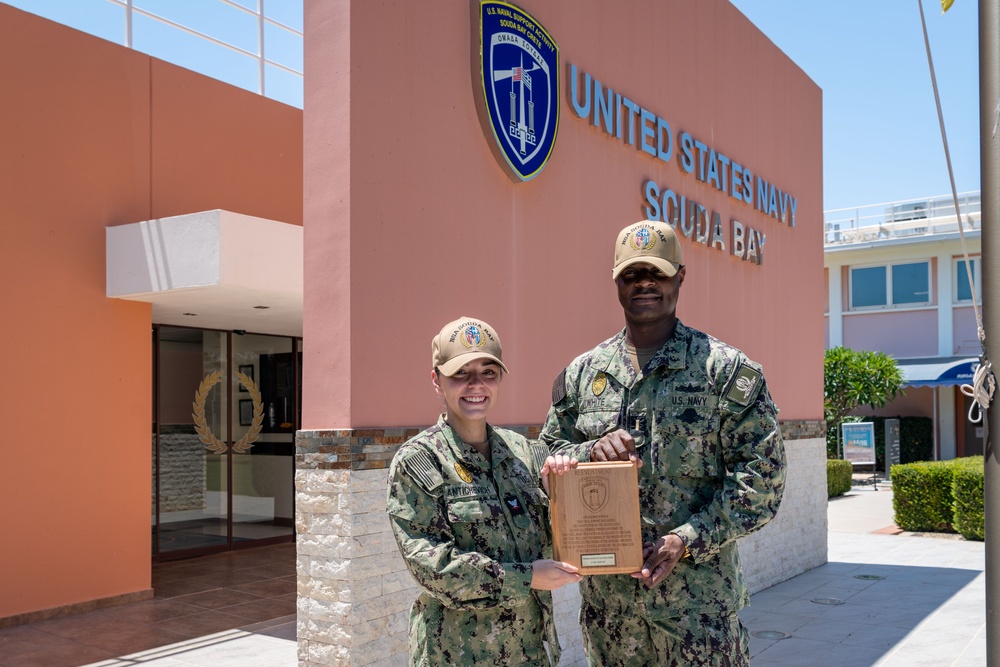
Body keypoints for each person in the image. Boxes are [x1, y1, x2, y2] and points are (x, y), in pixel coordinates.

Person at [540, 221, 786, 666]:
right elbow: (544, 459)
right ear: (617, 281)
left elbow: (761, 485)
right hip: (612, 622)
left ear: (680, 277)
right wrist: (587, 453)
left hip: (699, 616)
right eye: (632, 274)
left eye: (656, 272)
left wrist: (686, 539)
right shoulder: (582, 376)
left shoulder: (724, 371)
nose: (645, 283)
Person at [387, 316, 581, 666]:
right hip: (458, 654)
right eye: (461, 373)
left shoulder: (527, 453)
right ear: (437, 380)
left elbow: (553, 544)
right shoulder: (419, 462)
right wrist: (527, 577)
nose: (476, 384)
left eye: (488, 372)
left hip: (531, 652)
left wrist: (561, 501)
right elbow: (432, 567)